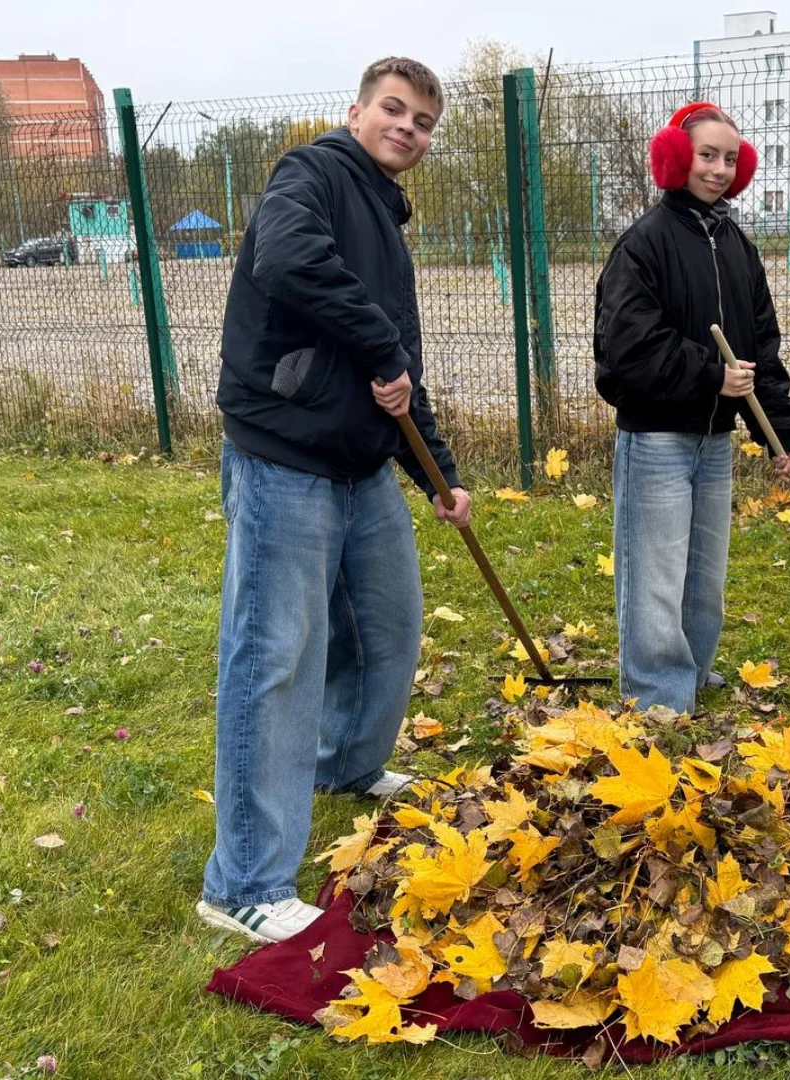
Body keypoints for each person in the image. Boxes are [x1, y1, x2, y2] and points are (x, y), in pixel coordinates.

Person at [196, 57, 471, 944]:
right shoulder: (310, 175)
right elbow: (287, 261)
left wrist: (443, 472)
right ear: (355, 110)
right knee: (274, 659)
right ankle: (242, 883)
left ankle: (346, 765)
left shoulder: (388, 216)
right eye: (395, 110)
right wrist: (381, 348)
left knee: (389, 630)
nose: (409, 129)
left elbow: (398, 367)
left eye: (424, 122)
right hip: (286, 456)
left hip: (363, 468)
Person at [593, 101, 790, 716]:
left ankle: (693, 669)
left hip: (714, 440)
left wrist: (779, 431)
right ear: (677, 158)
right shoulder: (644, 244)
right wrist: (712, 376)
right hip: (656, 438)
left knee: (704, 571)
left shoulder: (737, 245)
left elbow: (760, 345)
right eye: (706, 155)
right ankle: (657, 692)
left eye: (729, 159)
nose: (717, 169)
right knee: (655, 571)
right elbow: (627, 351)